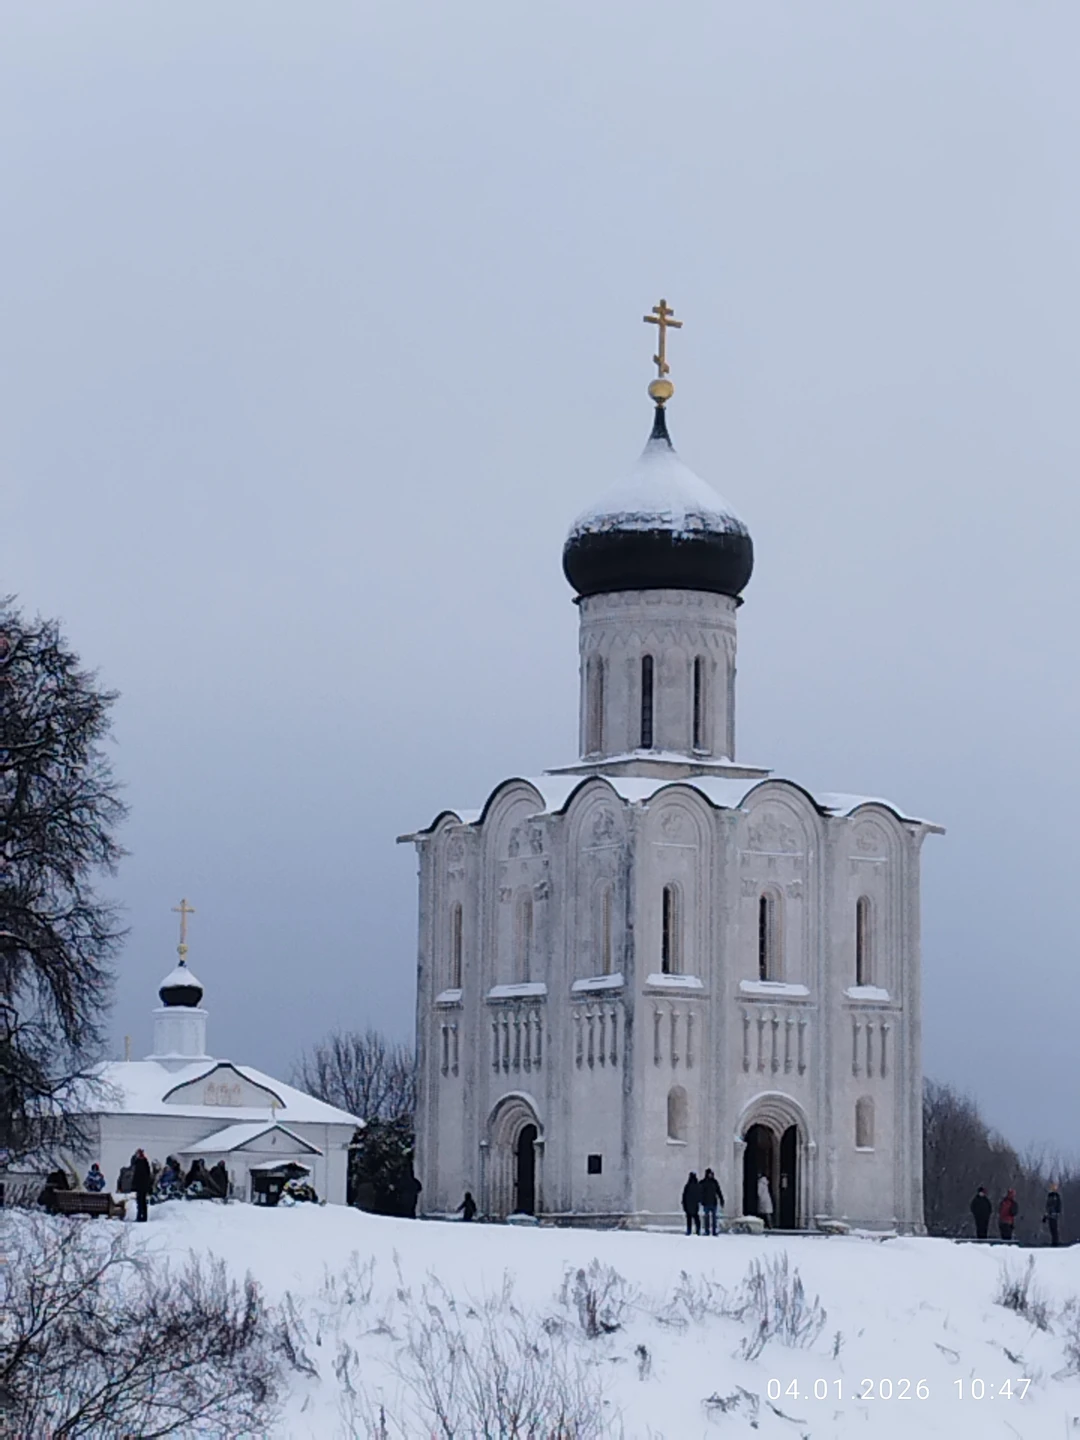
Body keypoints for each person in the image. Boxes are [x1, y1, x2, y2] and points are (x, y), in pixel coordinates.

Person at [699, 1168, 724, 1235]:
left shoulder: (714, 1182)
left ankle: (714, 1231)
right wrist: (700, 1200)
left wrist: (721, 1199)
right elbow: (700, 1192)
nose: (710, 1175)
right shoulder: (703, 1182)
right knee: (707, 1218)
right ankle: (707, 1231)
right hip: (706, 1203)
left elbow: (718, 1191)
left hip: (713, 1202)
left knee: (714, 1218)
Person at [132, 1148, 152, 1223]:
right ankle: (143, 1216)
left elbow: (137, 1175)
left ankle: (141, 1216)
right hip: (143, 1186)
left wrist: (134, 1185)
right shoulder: (144, 1162)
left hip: (141, 1186)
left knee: (141, 1202)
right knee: (142, 1202)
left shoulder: (140, 1162)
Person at [1045, 1182, 1063, 1247]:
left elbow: (1059, 1205)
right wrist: (1046, 1215)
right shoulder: (1049, 1195)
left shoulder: (1057, 1196)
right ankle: (1053, 1241)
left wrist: (1057, 1212)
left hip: (1054, 1214)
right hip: (1050, 1214)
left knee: (1055, 1228)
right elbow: (1047, 1205)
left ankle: (1055, 1242)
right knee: (1051, 1228)